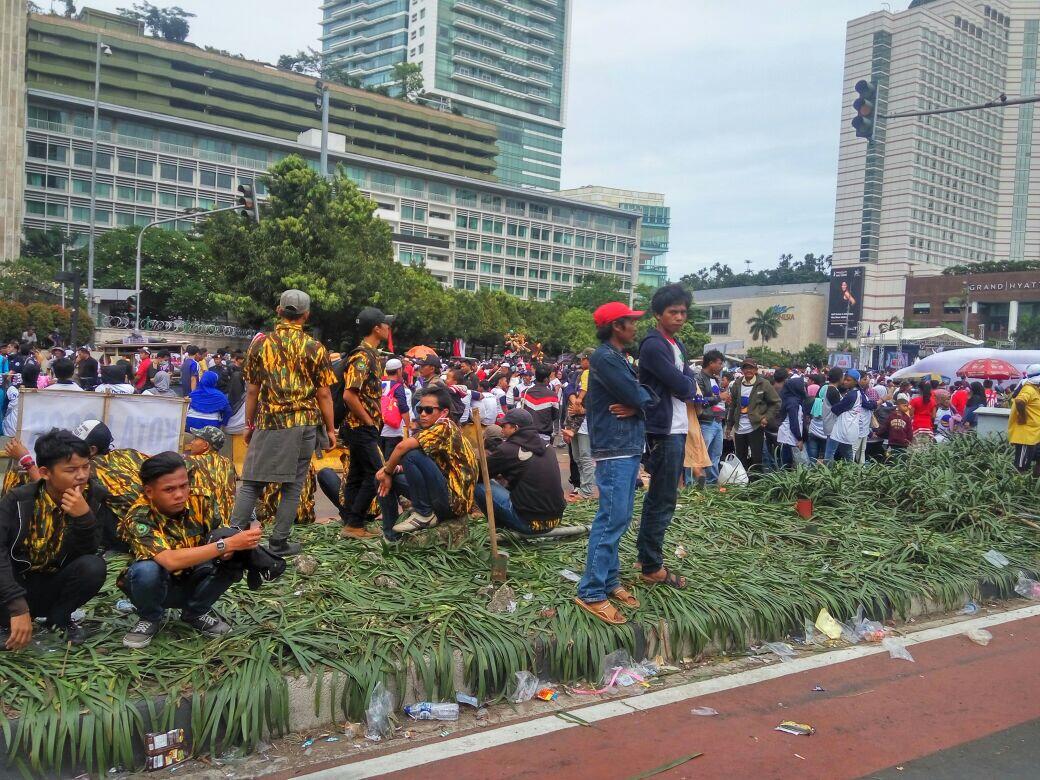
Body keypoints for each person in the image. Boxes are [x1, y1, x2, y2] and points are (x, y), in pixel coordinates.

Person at [227, 290, 337, 556]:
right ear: (306, 315)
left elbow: (252, 390)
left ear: (279, 311)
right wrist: (331, 429)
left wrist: (249, 425)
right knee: (292, 485)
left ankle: (230, 538)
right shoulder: (315, 347)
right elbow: (324, 394)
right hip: (303, 423)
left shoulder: (260, 345)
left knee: (252, 482)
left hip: (268, 422)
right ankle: (278, 542)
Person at [119, 452, 261, 649]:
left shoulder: (202, 499)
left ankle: (196, 612)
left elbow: (216, 535)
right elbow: (169, 561)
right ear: (149, 491)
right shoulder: (138, 516)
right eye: (169, 489)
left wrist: (231, 548)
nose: (179, 494)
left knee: (235, 557)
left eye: (183, 486)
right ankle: (150, 617)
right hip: (157, 585)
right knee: (146, 570)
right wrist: (225, 545)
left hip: (196, 575)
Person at [575, 302, 654, 626]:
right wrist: (643, 402)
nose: (636, 327)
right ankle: (592, 591)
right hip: (616, 448)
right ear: (616, 327)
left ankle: (608, 581)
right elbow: (640, 395)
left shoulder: (616, 357)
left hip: (624, 444)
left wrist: (639, 404)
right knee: (611, 518)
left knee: (617, 518)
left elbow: (638, 398)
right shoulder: (606, 357)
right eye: (630, 322)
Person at [0, 429, 107, 649]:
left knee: (93, 566)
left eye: (86, 466)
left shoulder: (93, 497)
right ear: (45, 473)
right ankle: (6, 622)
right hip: (13, 584)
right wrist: (17, 607)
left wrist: (84, 518)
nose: (82, 475)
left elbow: (88, 549)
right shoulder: (19, 500)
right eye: (71, 469)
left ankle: (58, 619)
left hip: (51, 581)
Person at [637, 284, 698, 587]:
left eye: (683, 312)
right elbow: (684, 384)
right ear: (658, 314)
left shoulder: (676, 343)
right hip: (663, 428)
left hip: (676, 425)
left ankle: (646, 555)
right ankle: (651, 565)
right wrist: (687, 384)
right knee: (663, 498)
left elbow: (689, 379)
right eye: (673, 312)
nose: (679, 317)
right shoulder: (652, 344)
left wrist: (687, 383)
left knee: (661, 496)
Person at [375, 387, 478, 537]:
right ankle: (391, 537)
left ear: (444, 412)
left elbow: (401, 447)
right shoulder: (432, 431)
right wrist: (391, 472)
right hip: (441, 492)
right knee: (380, 479)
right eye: (420, 409)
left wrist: (387, 471)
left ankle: (424, 513)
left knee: (410, 455)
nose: (422, 414)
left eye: (429, 410)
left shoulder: (445, 427)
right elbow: (430, 466)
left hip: (453, 503)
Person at [339, 306, 394, 540]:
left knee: (357, 473)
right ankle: (354, 522)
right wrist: (369, 421)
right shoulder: (362, 357)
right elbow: (349, 394)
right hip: (361, 426)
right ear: (377, 328)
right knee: (377, 472)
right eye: (386, 324)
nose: (389, 328)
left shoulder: (372, 355)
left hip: (361, 426)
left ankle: (352, 521)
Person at [473, 408, 566, 534]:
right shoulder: (548, 446)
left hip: (528, 524)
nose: (502, 430)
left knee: (478, 483)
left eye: (504, 426)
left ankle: (500, 527)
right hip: (555, 520)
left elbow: (477, 474)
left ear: (515, 428)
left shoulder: (507, 450)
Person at [725, 359, 780, 477]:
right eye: (746, 368)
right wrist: (729, 426)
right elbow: (733, 406)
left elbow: (776, 403)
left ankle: (756, 486)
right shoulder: (737, 383)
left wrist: (766, 418)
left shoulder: (763, 384)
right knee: (740, 458)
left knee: (757, 459)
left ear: (756, 370)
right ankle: (743, 485)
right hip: (739, 427)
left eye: (751, 368)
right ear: (742, 370)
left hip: (756, 426)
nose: (748, 370)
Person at [185, 426, 237, 524]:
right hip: (227, 521)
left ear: (206, 445)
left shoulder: (191, 461)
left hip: (201, 521)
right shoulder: (228, 463)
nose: (191, 442)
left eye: (195, 439)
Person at [825, 369, 876, 462]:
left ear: (855, 382)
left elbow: (835, 409)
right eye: (845, 379)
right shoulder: (856, 393)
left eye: (848, 380)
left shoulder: (851, 395)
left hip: (845, 429)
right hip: (848, 428)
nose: (845, 382)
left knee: (832, 453)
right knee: (847, 454)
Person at [695, 349, 727, 483]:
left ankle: (712, 483)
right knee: (702, 454)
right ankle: (697, 483)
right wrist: (719, 398)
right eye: (719, 363)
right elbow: (699, 400)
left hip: (718, 421)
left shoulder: (715, 379)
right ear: (710, 363)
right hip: (706, 422)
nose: (721, 367)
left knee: (716, 455)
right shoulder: (699, 378)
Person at [1008, 364, 1040, 477]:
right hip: (1026, 436)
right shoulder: (1029, 389)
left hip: (1035, 434)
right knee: (1021, 467)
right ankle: (1018, 490)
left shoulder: (1035, 390)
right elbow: (1020, 401)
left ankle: (1033, 484)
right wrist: (1022, 417)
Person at [518, 364, 560, 441]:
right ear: (546, 379)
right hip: (544, 436)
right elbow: (555, 415)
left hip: (527, 435)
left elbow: (523, 411)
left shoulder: (525, 393)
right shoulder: (553, 396)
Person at [380, 358, 411, 458]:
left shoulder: (379, 384)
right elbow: (403, 407)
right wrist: (408, 426)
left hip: (378, 429)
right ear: (399, 371)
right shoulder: (398, 386)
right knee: (391, 462)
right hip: (393, 432)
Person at [777, 376, 809, 467]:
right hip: (789, 437)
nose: (804, 388)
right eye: (802, 386)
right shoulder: (793, 402)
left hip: (791, 437)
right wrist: (799, 439)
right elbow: (794, 422)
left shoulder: (795, 400)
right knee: (787, 465)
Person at [3, 365, 40, 437]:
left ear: (22, 375)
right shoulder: (42, 393)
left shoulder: (12, 390)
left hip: (10, 431)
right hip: (31, 434)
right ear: (37, 376)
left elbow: (4, 409)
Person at [875, 393, 913, 458]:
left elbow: (909, 431)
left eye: (907, 406)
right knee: (891, 458)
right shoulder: (891, 416)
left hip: (903, 443)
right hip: (892, 442)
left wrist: (909, 440)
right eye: (904, 406)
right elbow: (885, 427)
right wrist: (877, 433)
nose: (906, 408)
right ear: (898, 406)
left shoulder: (907, 418)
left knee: (901, 459)